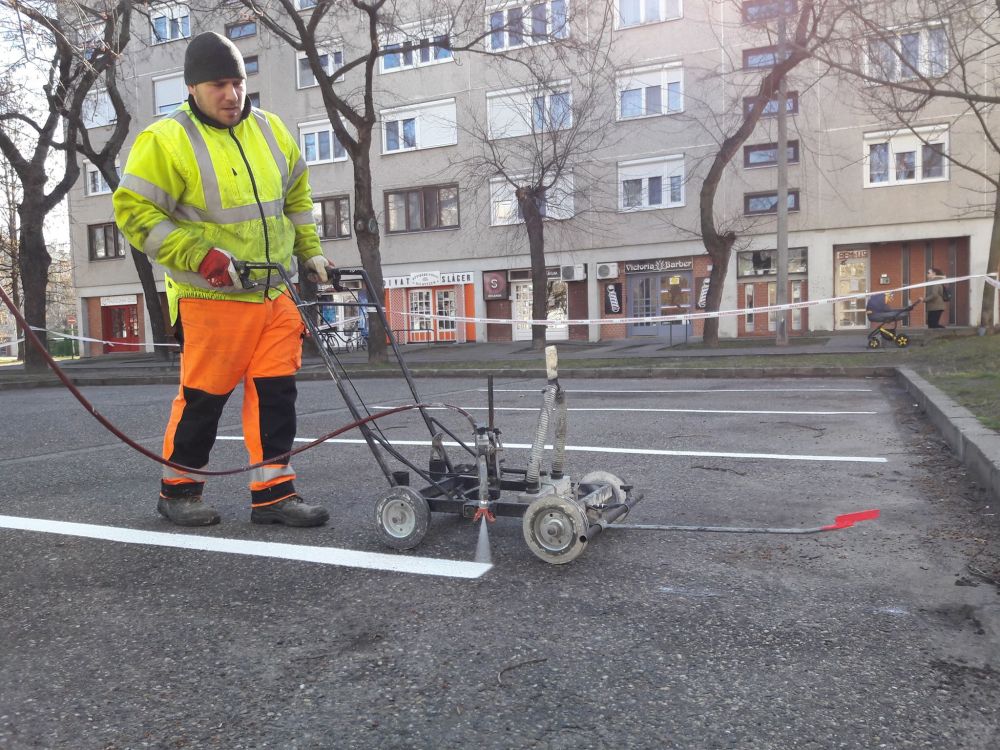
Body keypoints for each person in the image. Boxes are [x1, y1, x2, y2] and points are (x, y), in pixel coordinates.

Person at [113, 32, 332, 528]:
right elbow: (133, 210)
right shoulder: (166, 140)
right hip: (211, 295)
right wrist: (197, 254)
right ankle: (180, 490)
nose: (232, 95)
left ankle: (274, 494)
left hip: (275, 293)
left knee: (276, 396)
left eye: (237, 82)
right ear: (193, 88)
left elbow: (297, 198)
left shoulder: (273, 131)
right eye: (219, 85)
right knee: (203, 399)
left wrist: (311, 252)